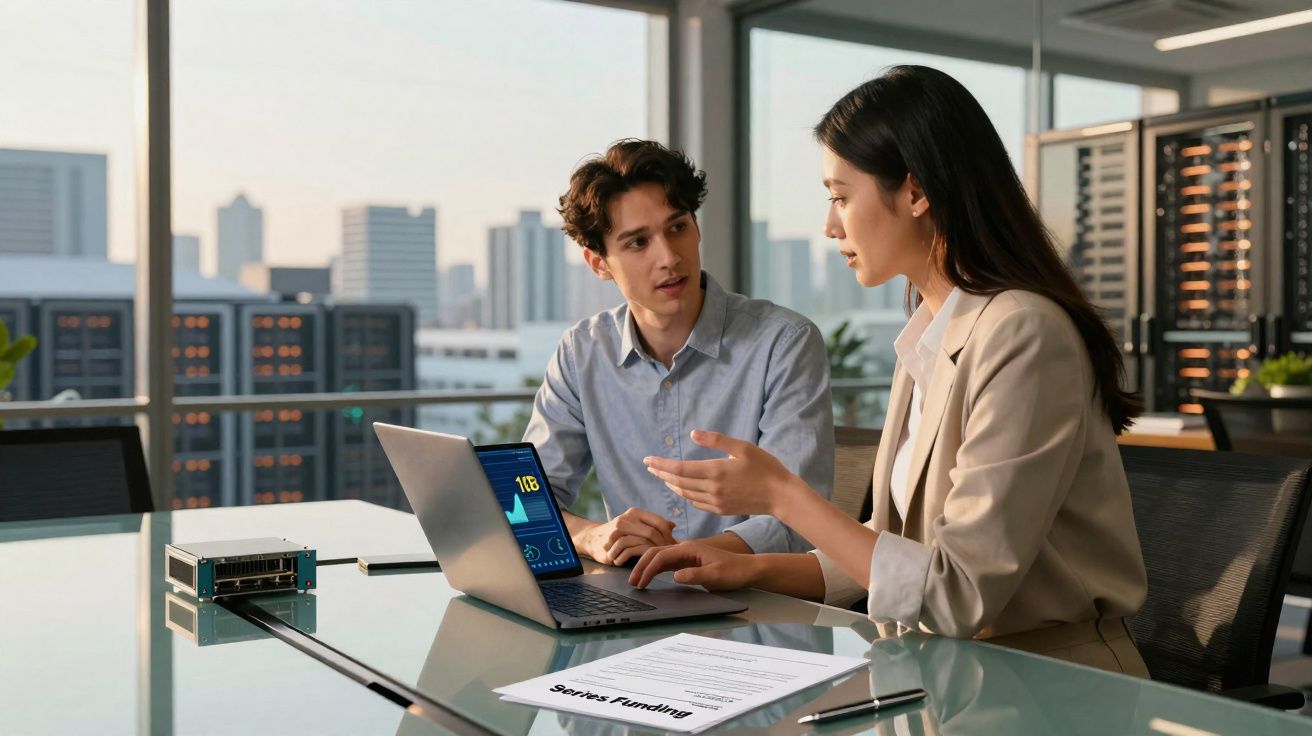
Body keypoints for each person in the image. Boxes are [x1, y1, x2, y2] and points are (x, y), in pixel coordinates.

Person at [630, 67, 1149, 676]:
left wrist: (782, 496)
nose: (830, 225)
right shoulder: (932, 333)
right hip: (945, 676)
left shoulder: (1023, 333)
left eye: (841, 196)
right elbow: (901, 548)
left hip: (1054, 687)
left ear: (915, 192)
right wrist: (755, 568)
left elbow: (957, 593)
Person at [523, 139, 834, 566]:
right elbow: (528, 503)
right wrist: (593, 536)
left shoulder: (784, 342)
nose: (669, 257)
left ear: (696, 227)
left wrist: (680, 557)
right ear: (598, 263)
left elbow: (801, 518)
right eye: (637, 243)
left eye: (677, 228)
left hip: (761, 605)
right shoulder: (582, 353)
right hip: (637, 599)